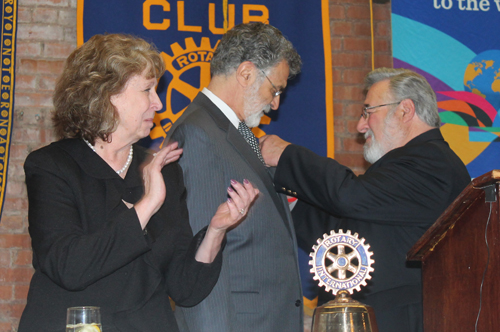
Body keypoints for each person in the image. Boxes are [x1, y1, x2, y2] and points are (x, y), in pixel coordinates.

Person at [18, 34, 259, 332]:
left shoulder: (165, 171)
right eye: (147, 89)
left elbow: (185, 289)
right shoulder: (53, 166)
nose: (158, 103)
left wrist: (215, 232)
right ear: (106, 94)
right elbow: (69, 266)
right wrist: (147, 206)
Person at [259, 68, 471, 332]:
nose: (360, 127)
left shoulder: (433, 163)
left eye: (368, 112)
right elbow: (342, 234)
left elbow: (348, 196)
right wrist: (291, 199)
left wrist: (286, 155)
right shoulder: (407, 167)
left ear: (405, 110)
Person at [167, 22, 304, 331]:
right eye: (275, 89)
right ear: (246, 73)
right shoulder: (199, 133)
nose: (275, 103)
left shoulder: (235, 133)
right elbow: (201, 259)